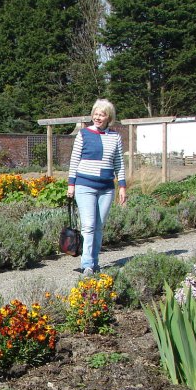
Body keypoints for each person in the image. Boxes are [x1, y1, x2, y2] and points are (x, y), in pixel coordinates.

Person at [66, 98, 127, 275]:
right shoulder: (83, 134)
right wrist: (71, 185)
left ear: (109, 117)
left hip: (106, 188)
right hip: (85, 185)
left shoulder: (115, 137)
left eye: (102, 114)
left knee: (99, 226)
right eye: (96, 113)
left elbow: (119, 163)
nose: (98, 117)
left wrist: (122, 186)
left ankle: (94, 262)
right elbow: (74, 160)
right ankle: (86, 264)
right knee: (88, 225)